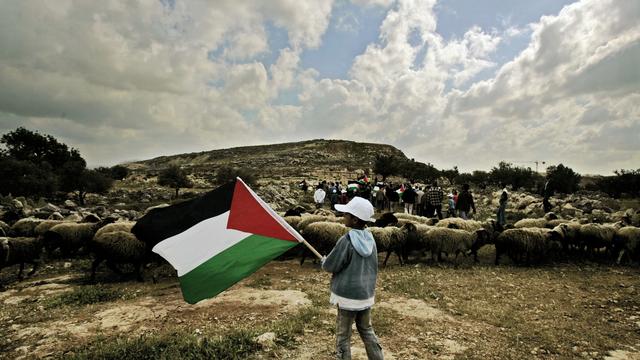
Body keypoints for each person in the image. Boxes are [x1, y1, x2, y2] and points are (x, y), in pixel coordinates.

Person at [322, 197, 384, 360]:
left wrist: (324, 261)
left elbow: (331, 265)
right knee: (366, 329)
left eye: (346, 214)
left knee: (343, 334)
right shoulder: (371, 239)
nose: (343, 215)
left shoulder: (346, 240)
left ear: (355, 219)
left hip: (347, 296)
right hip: (365, 293)